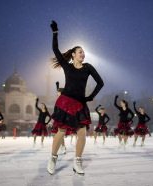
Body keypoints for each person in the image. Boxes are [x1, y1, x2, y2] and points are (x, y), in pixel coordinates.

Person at [47, 20, 104, 175]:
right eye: (80, 52)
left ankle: (77, 161)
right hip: (65, 102)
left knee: (82, 133)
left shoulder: (88, 67)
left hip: (80, 104)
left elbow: (100, 83)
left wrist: (90, 97)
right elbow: (55, 49)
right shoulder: (67, 66)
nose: (83, 54)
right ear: (73, 55)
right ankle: (53, 158)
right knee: (61, 131)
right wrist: (55, 33)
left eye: (84, 52)